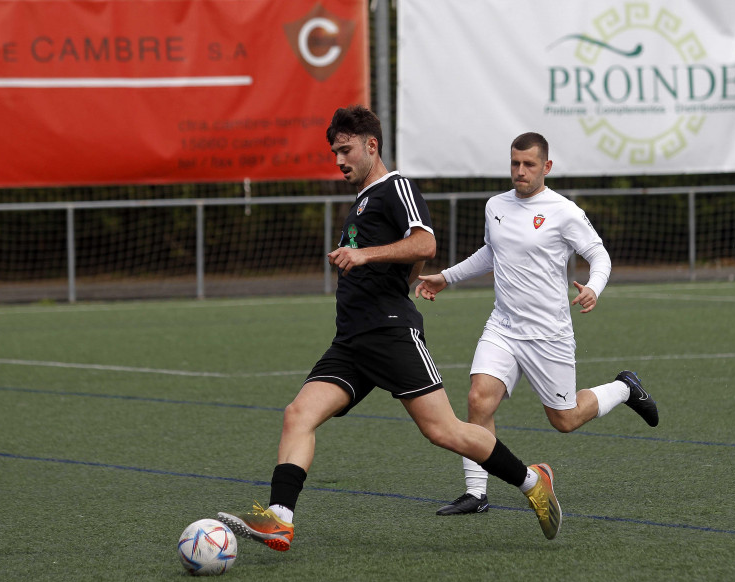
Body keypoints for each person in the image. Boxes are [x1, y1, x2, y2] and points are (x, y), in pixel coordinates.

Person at [217, 107, 562, 547]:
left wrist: (365, 255)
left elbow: (426, 242)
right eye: (334, 152)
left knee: (444, 431)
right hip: (351, 341)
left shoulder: (395, 186)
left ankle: (534, 482)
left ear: (371, 145)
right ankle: (280, 517)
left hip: (389, 331)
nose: (339, 160)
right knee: (297, 414)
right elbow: (408, 259)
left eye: (345, 150)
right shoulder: (360, 204)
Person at [415, 132, 658, 516]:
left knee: (564, 420)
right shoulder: (495, 204)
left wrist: (594, 288)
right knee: (479, 399)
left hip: (549, 334)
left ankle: (624, 388)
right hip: (503, 327)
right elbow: (491, 252)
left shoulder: (564, 211)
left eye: (529, 164)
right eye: (515, 163)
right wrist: (447, 277)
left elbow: (599, 255)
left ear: (546, 167)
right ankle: (476, 494)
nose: (520, 171)